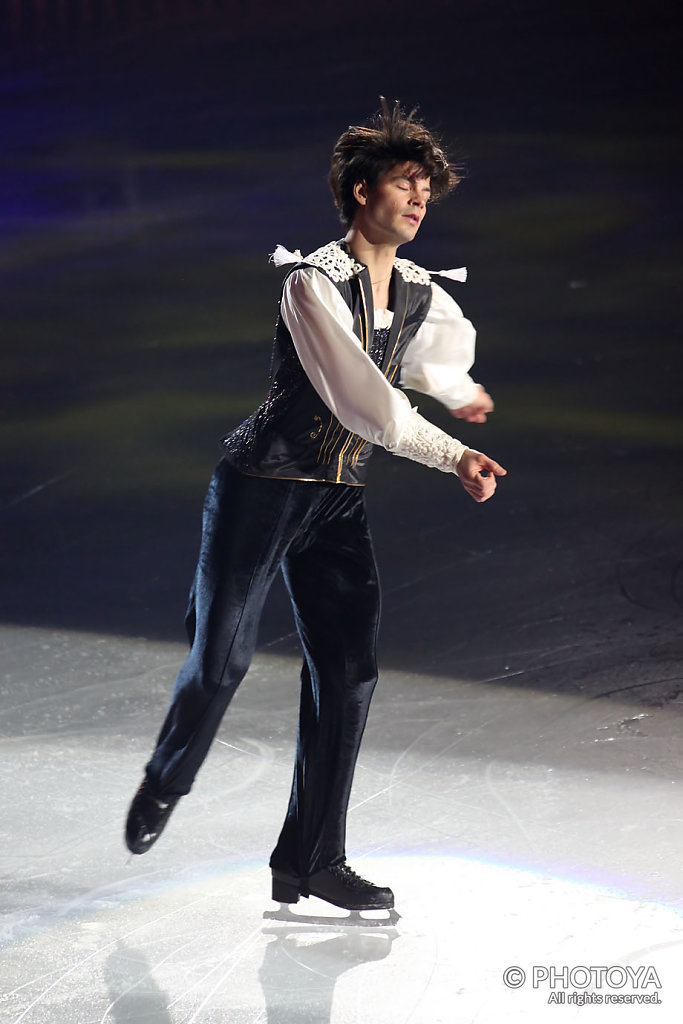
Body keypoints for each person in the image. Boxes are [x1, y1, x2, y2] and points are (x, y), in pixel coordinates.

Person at [125, 99, 506, 912]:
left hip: (334, 500)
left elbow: (433, 358)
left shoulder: (414, 289)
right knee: (220, 662)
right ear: (362, 189)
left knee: (349, 674)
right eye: (405, 185)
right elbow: (364, 401)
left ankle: (309, 859)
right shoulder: (310, 283)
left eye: (426, 193)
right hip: (260, 489)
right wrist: (451, 453)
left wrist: (462, 395)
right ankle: (165, 779)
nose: (418, 202)